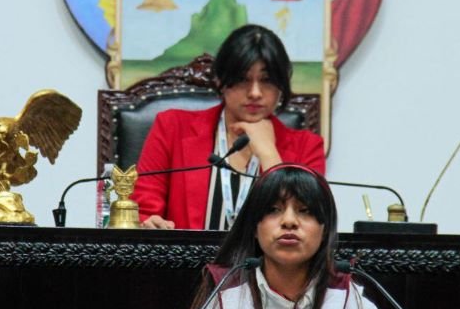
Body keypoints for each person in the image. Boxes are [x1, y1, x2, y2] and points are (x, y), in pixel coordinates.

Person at [174, 163, 391, 309]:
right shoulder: (222, 298)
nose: (289, 221)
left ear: (325, 230)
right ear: (254, 227)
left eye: (304, 210)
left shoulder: (355, 305)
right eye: (274, 210)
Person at [133, 24, 325, 230]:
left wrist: (269, 154)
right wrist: (150, 224)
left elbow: (307, 226)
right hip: (188, 252)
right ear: (220, 80)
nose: (255, 93)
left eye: (267, 80)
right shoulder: (172, 128)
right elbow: (143, 210)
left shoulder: (307, 147)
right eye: (242, 79)